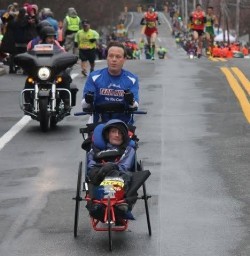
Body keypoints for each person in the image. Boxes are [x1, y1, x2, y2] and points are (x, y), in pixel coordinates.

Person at [86, 119, 136, 221]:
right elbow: (90, 167)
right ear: (107, 134)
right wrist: (103, 169)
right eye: (113, 132)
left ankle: (120, 206)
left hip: (119, 179)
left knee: (126, 176)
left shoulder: (128, 150)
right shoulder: (94, 150)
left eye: (120, 133)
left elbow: (125, 167)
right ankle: (96, 205)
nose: (117, 135)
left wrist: (110, 166)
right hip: (98, 176)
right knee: (92, 176)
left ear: (123, 136)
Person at [81, 41, 139, 124]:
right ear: (107, 57)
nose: (114, 60)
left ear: (124, 59)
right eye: (111, 56)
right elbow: (84, 106)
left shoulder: (132, 79)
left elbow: (135, 105)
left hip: (123, 125)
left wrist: (131, 101)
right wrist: (88, 100)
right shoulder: (94, 77)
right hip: (98, 123)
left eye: (118, 57)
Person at [24, 26, 72, 111]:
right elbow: (29, 55)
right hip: (40, 71)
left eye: (53, 37)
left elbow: (63, 52)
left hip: (54, 70)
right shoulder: (36, 46)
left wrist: (68, 57)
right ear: (44, 37)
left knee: (64, 77)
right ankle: (27, 103)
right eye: (50, 37)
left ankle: (66, 101)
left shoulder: (56, 44)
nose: (52, 39)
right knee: (29, 80)